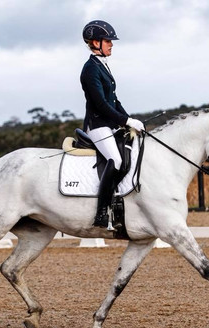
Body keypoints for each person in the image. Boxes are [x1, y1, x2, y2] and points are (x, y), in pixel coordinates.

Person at [80, 20, 145, 228]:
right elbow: (100, 104)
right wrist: (125, 120)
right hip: (98, 125)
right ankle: (101, 212)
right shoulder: (90, 69)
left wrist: (131, 121)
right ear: (95, 42)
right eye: (108, 41)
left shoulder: (102, 66)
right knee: (115, 160)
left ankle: (120, 201)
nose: (111, 45)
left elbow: (114, 101)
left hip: (110, 124)